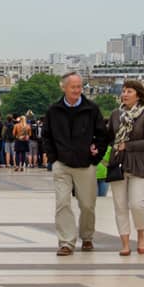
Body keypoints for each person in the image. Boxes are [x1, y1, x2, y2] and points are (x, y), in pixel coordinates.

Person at [43, 71, 108, 256]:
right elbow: (46, 136)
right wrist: (53, 158)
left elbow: (103, 135)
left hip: (85, 164)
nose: (77, 90)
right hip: (62, 163)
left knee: (87, 205)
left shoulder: (91, 109)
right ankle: (66, 242)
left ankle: (87, 236)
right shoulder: (53, 110)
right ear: (63, 88)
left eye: (80, 86)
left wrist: (95, 157)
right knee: (62, 203)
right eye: (73, 87)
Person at [107, 80, 144, 256]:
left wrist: (127, 145)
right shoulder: (115, 114)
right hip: (118, 163)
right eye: (123, 91)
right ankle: (125, 243)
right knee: (120, 205)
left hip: (139, 163)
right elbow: (109, 136)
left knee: (136, 204)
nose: (124, 94)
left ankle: (141, 235)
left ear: (138, 95)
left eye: (129, 91)